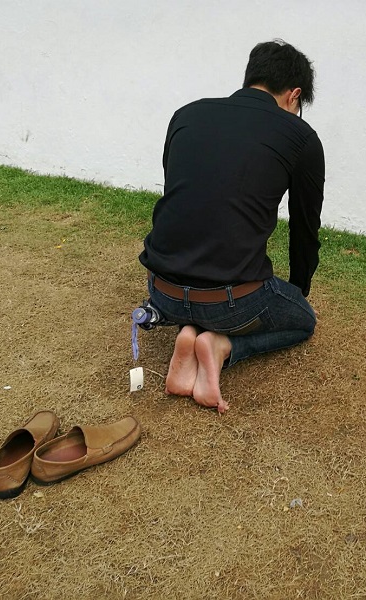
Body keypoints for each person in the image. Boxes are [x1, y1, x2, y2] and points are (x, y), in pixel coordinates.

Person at [138, 40, 325, 414]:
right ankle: (223, 347)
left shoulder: (185, 115)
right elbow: (305, 229)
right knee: (303, 322)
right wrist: (298, 291)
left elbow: (182, 196)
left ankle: (188, 331)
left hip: (161, 292)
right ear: (295, 96)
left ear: (250, 79)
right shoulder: (300, 137)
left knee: (200, 300)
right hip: (231, 304)